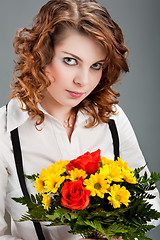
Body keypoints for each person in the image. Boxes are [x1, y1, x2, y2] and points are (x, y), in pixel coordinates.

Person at [0, 0, 160, 239]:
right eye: (70, 61)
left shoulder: (112, 118)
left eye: (96, 65)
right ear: (40, 55)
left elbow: (149, 203)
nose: (83, 81)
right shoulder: (5, 130)